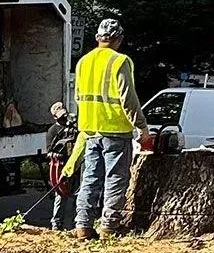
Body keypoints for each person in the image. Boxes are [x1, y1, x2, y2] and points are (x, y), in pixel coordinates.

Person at [72, 15, 143, 238]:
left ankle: (83, 225)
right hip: (116, 130)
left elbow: (78, 97)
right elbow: (127, 98)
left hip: (90, 130)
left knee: (90, 178)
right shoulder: (120, 61)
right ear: (118, 39)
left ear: (97, 38)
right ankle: (109, 227)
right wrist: (141, 126)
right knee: (115, 179)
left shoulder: (83, 61)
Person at [44, 99, 80, 231]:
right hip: (60, 167)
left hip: (74, 165)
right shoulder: (52, 131)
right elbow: (50, 151)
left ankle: (76, 222)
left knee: (77, 194)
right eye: (61, 116)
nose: (64, 119)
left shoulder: (72, 129)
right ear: (55, 117)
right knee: (61, 195)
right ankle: (56, 223)